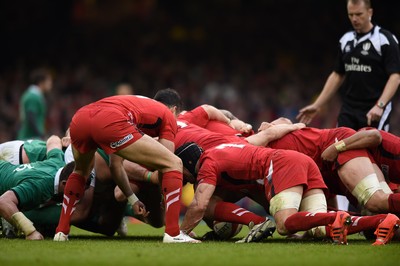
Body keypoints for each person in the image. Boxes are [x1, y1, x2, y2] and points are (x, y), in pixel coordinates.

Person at [176, 142, 400, 245]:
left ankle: (336, 216)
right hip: (300, 161)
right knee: (319, 230)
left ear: (189, 161)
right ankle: (382, 220)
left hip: (282, 164)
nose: (184, 179)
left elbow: (199, 203)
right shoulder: (221, 151)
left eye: (183, 172)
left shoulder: (207, 162)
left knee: (284, 225)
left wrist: (180, 233)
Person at [53, 95, 199, 243]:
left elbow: (115, 165)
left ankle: (61, 232)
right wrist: (163, 198)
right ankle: (173, 234)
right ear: (174, 111)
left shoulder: (136, 108)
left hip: (81, 118)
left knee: (80, 172)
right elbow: (165, 165)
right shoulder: (168, 116)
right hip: (110, 120)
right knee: (174, 163)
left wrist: (132, 199)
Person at [297, 0, 400, 131]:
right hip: (349, 110)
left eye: (359, 14)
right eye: (351, 15)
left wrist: (380, 105)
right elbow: (337, 74)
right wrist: (317, 105)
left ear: (370, 12)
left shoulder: (385, 40)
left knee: (372, 150)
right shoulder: (346, 40)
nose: (354, 19)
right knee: (338, 147)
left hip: (375, 109)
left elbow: (395, 77)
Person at [0, 135, 72, 240]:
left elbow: (53, 139)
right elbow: (3, 202)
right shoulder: (40, 185)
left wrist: (63, 139)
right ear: (64, 183)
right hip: (12, 154)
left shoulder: (58, 162)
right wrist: (30, 231)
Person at [18, 68, 53, 140]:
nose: (50, 84)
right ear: (41, 82)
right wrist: (41, 134)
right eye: (48, 81)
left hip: (32, 138)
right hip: (29, 139)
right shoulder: (32, 97)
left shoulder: (35, 95)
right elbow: (30, 117)